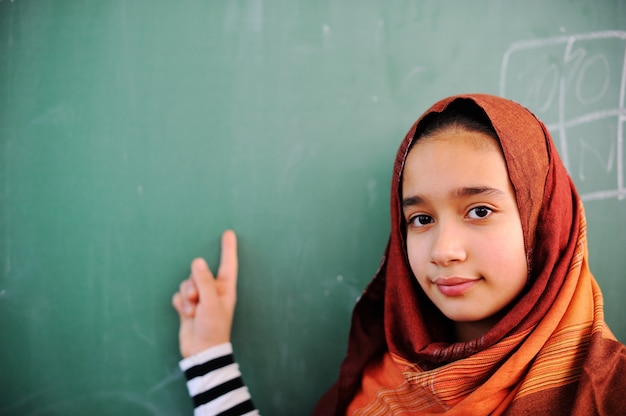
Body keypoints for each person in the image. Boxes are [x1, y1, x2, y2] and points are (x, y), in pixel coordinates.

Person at [172, 94, 626, 415]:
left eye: (480, 210)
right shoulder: (381, 389)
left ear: (545, 221)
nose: (444, 251)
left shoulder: (610, 392)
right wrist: (208, 354)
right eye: (421, 219)